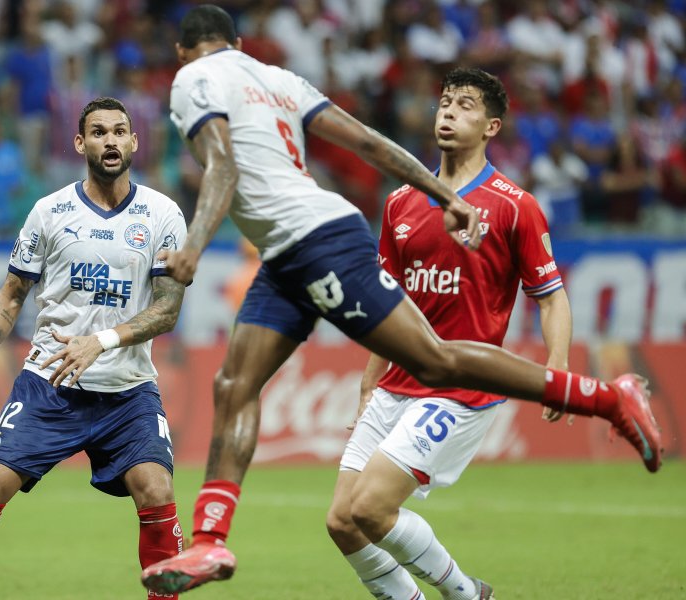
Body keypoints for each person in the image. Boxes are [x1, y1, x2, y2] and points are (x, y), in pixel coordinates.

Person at [141, 6, 662, 595]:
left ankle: (608, 399)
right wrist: (443, 193)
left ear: (184, 52)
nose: (447, 112)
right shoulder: (277, 78)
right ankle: (210, 542)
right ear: (237, 43)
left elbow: (223, 167)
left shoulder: (191, 80)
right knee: (237, 389)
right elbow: (368, 142)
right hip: (289, 252)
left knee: (434, 360)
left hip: (315, 240)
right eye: (446, 102)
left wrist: (194, 244)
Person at [326, 67, 568, 600]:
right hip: (397, 380)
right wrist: (370, 379)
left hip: (461, 385)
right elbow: (387, 298)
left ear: (491, 126)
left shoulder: (514, 205)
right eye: (444, 102)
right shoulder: (400, 203)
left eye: (464, 105)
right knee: (342, 521)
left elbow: (550, 296)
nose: (449, 112)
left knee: (372, 507)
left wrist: (557, 366)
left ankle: (465, 594)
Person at [0, 97, 188, 600]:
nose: (111, 140)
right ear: (80, 143)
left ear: (135, 142)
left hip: (128, 390)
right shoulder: (49, 211)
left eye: (121, 131)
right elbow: (11, 296)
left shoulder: (163, 214)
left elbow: (167, 310)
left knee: (157, 492)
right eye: (98, 132)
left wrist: (102, 341)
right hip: (50, 385)